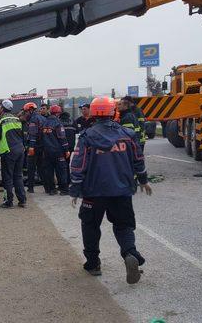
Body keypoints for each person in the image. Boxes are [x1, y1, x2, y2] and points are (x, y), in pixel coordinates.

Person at [69, 96, 153, 284]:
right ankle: (130, 253)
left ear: (92, 113)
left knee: (90, 226)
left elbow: (78, 164)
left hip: (93, 193)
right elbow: (138, 160)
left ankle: (93, 263)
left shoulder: (87, 136)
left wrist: (75, 189)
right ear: (113, 111)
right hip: (122, 191)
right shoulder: (127, 135)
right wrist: (144, 180)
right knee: (123, 226)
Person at [0, 99, 27, 208]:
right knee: (18, 176)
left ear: (2, 108)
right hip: (20, 151)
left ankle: (8, 201)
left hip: (8, 152)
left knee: (7, 177)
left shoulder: (0, 121)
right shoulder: (17, 119)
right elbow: (22, 136)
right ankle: (22, 200)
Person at [41, 105, 70, 195]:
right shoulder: (58, 123)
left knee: (49, 171)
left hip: (46, 151)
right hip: (58, 151)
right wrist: (66, 150)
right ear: (58, 113)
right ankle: (64, 190)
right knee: (61, 170)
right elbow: (62, 137)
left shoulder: (44, 123)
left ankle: (52, 189)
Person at [24, 102, 46, 193]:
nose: (25, 114)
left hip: (34, 147)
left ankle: (31, 188)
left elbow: (33, 134)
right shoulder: (43, 118)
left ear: (31, 110)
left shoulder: (33, 119)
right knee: (41, 168)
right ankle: (47, 187)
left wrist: (31, 147)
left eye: (26, 112)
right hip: (42, 146)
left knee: (31, 168)